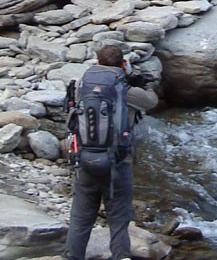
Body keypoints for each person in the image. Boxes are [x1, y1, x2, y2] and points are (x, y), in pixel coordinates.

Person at [66, 46, 158, 260]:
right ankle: (121, 256)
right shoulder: (126, 91)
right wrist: (136, 79)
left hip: (86, 159)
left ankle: (72, 256)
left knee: (80, 218)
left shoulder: (82, 86)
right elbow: (152, 101)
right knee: (118, 219)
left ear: (97, 62)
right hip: (118, 162)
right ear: (122, 64)